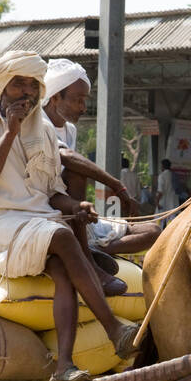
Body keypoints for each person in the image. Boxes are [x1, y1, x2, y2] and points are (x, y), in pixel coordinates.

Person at [0, 49, 139, 381]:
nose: (25, 93)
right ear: (2, 88)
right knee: (61, 236)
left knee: (62, 271)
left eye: (31, 86)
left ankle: (63, 366)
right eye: (17, 85)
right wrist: (10, 133)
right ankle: (114, 328)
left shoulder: (44, 131)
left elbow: (52, 192)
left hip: (39, 219)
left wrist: (75, 206)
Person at [40, 58, 158, 264]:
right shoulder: (38, 123)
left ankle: (92, 248)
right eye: (78, 100)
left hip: (74, 211)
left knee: (153, 231)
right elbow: (66, 157)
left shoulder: (70, 130)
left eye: (85, 100)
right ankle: (85, 252)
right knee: (77, 172)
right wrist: (117, 185)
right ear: (56, 97)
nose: (83, 107)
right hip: (47, 206)